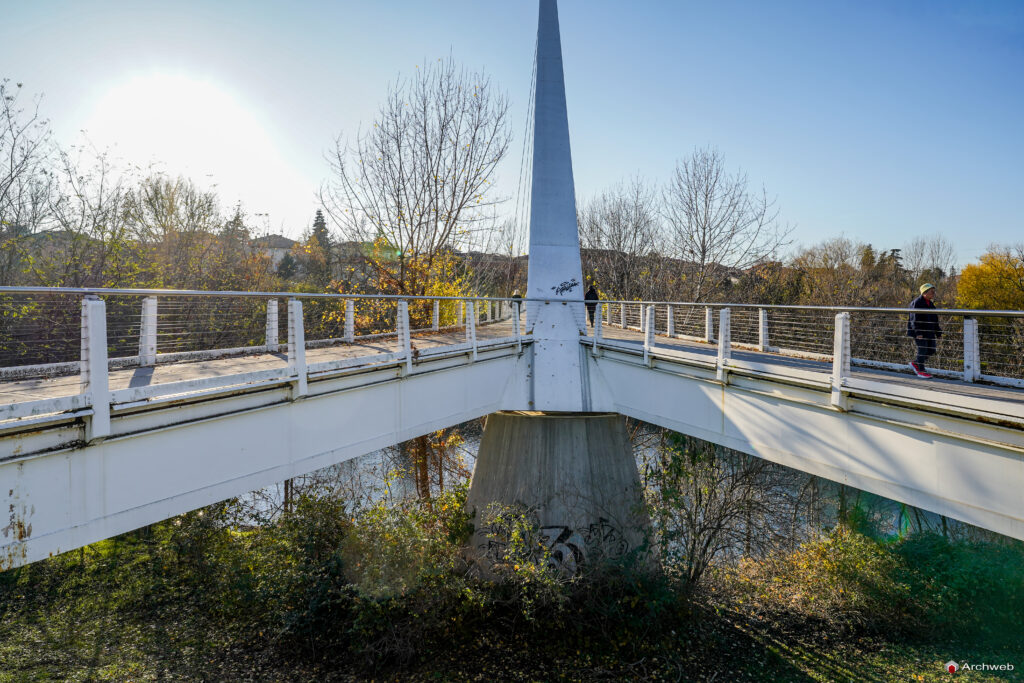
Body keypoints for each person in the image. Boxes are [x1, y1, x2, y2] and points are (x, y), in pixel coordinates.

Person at [907, 283, 941, 378]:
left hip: (929, 331)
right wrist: (918, 333)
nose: (934, 293)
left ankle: (916, 363)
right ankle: (921, 371)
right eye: (931, 292)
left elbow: (935, 319)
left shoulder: (930, 304)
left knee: (932, 350)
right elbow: (914, 319)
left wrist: (938, 332)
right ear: (924, 293)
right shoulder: (917, 303)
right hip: (920, 332)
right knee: (922, 349)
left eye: (934, 291)